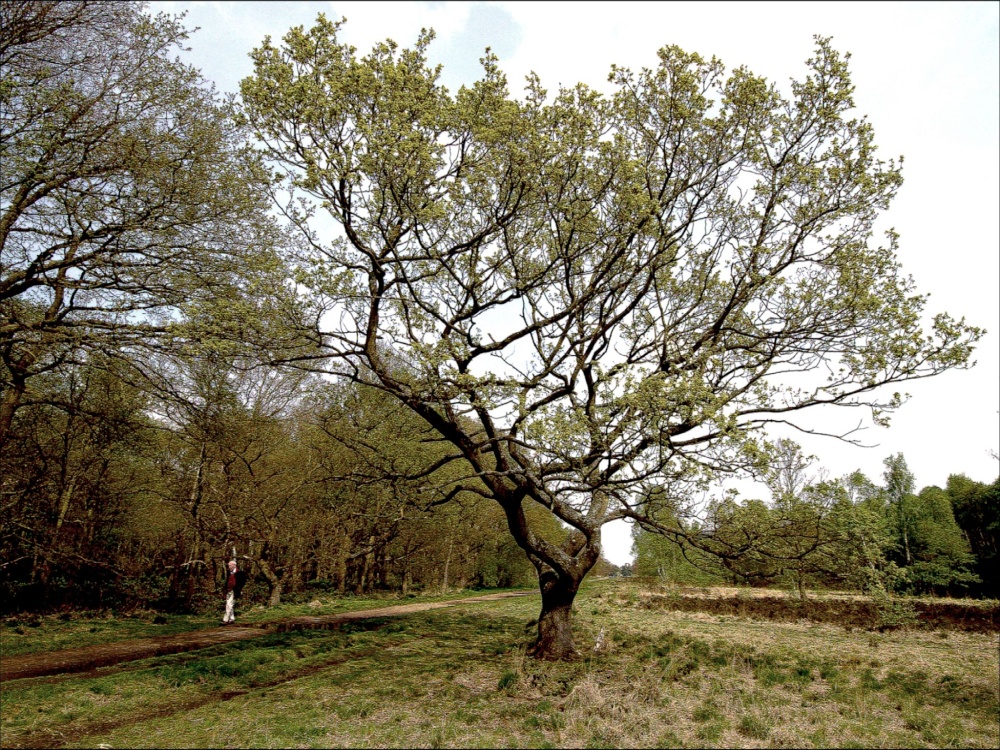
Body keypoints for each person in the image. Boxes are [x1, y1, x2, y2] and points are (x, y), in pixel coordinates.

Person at [221, 560, 247, 625]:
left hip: (234, 591)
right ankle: (232, 619)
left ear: (234, 565)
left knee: (229, 604)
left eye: (230, 565)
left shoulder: (240, 573)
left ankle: (225, 620)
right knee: (230, 604)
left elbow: (242, 582)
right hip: (228, 590)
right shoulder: (229, 572)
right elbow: (227, 581)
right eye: (229, 565)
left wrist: (239, 589)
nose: (229, 566)